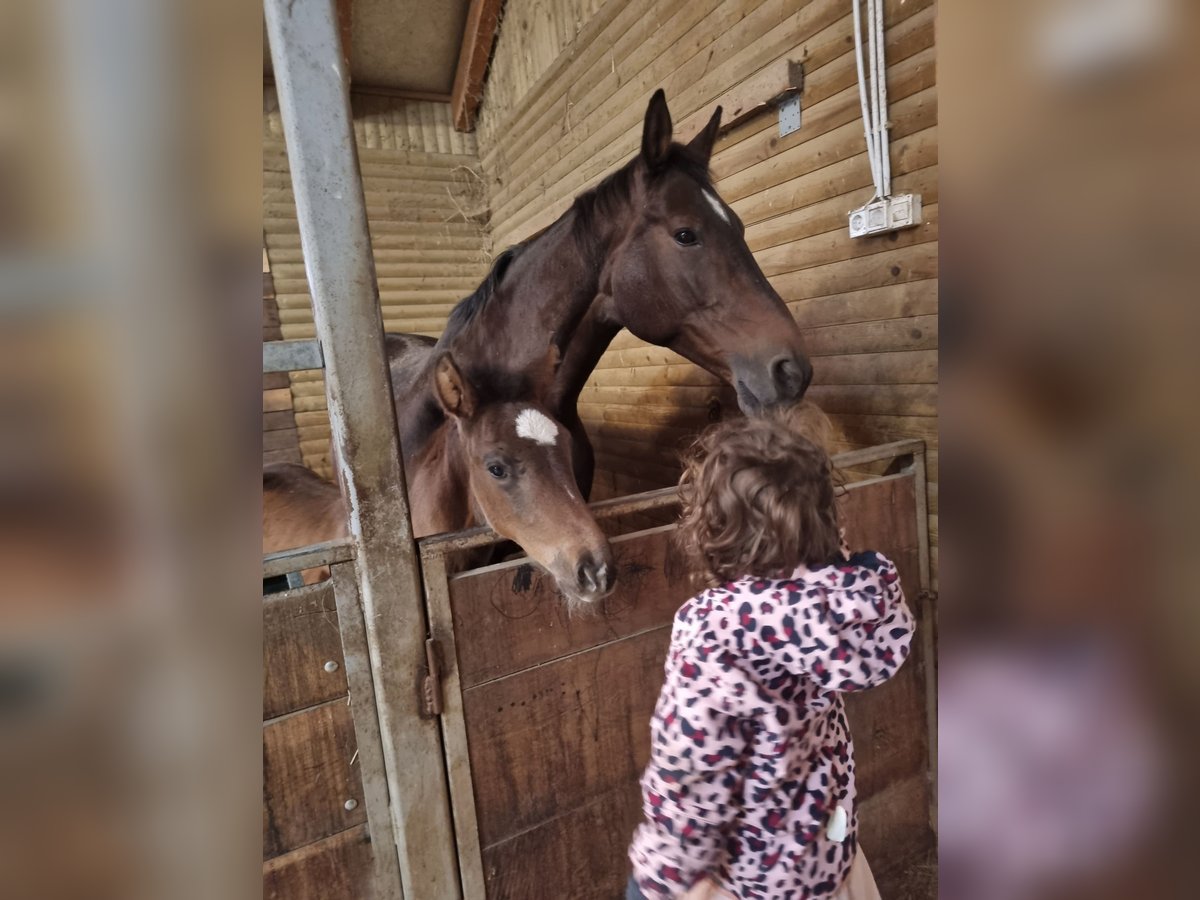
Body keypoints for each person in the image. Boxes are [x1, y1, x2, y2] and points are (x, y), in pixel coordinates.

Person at [626, 416, 914, 900]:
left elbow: (693, 770)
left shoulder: (713, 629)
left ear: (713, 526)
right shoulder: (841, 606)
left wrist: (663, 875)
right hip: (829, 862)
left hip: (752, 880)